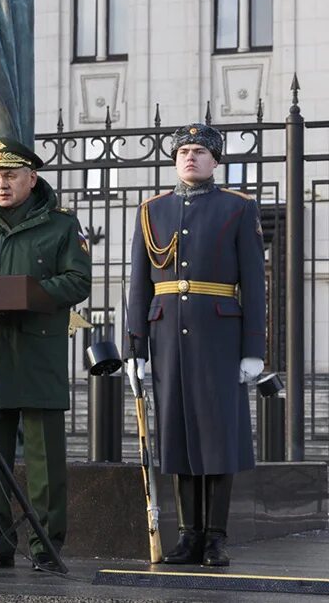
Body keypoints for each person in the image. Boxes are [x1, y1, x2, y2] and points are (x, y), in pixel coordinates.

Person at [0, 138, 91, 572]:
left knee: (46, 462)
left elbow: (78, 282)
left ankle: (46, 547)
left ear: (32, 177)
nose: (1, 184)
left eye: (10, 175)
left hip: (37, 352)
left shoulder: (62, 226)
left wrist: (25, 295)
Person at [126, 122, 266, 568]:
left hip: (220, 337)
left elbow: (255, 285)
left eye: (200, 152)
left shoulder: (238, 208)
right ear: (174, 159)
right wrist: (136, 349)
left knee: (218, 435)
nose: (191, 157)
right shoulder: (152, 211)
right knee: (178, 435)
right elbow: (138, 287)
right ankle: (188, 536)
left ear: (216, 161)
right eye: (184, 150)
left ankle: (216, 538)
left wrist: (252, 350)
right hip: (167, 337)